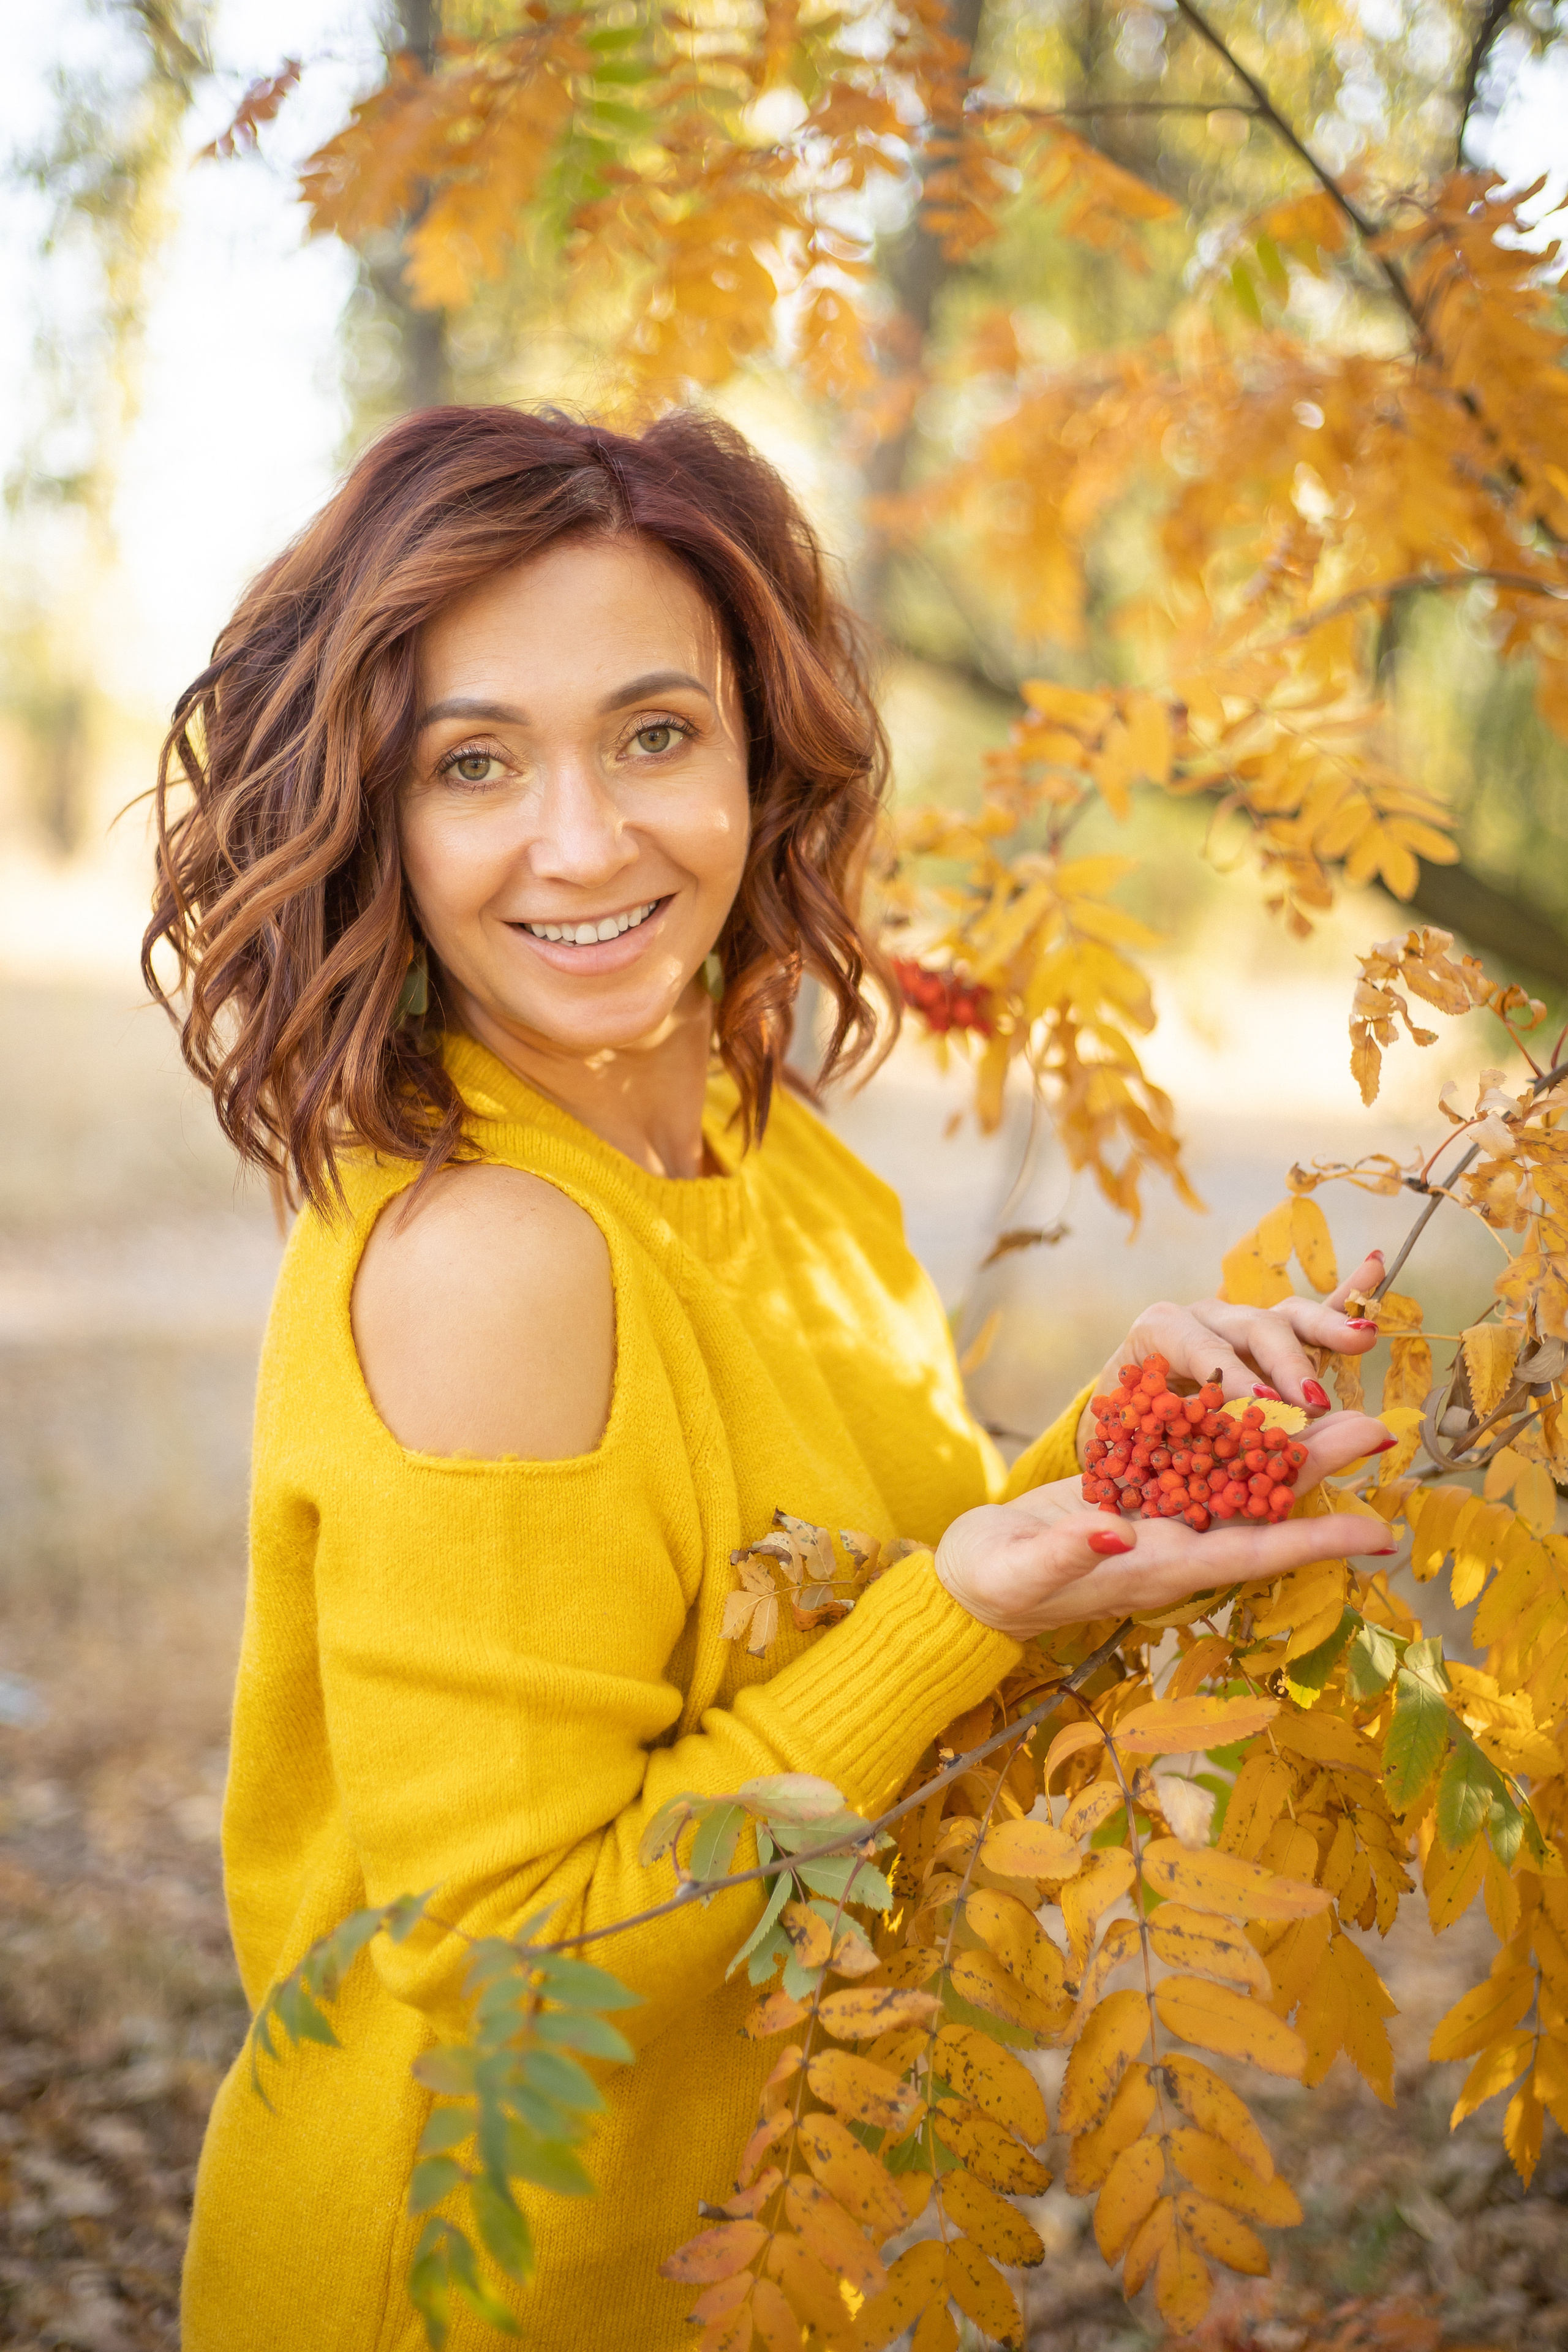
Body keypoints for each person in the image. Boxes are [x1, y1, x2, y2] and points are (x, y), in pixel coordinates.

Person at [146, 405, 1395, 2351]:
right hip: (488, 2278)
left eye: (655, 734)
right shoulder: (496, 1259)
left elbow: (846, 1586)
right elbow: (513, 1955)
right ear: (375, 818)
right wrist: (960, 1609)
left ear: (758, 752)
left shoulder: (765, 1140)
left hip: (754, 2244)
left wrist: (1114, 1451)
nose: (588, 840)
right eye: (475, 764)